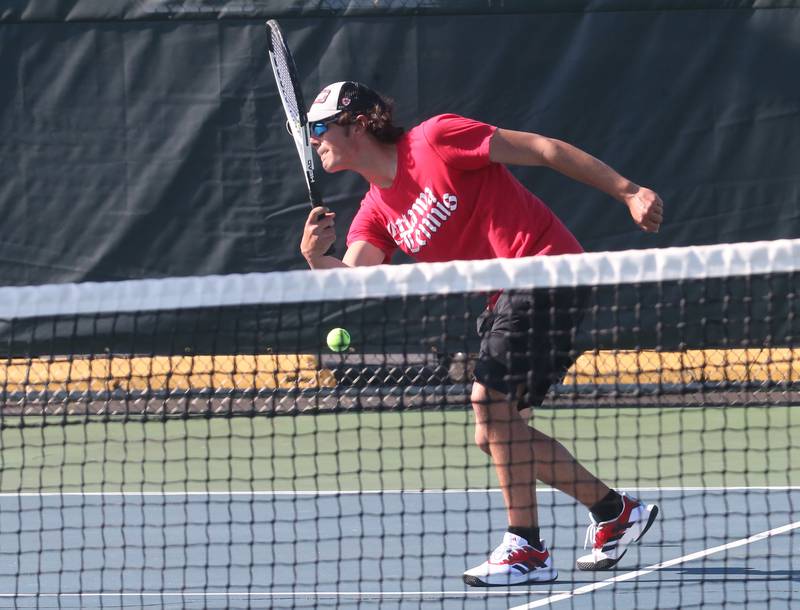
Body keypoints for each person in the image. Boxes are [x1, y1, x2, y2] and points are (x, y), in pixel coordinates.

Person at [298, 81, 662, 586]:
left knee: (488, 402)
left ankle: (527, 547)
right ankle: (613, 510)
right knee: (493, 434)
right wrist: (317, 258)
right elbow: (356, 279)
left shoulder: (435, 139)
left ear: (359, 123)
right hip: (502, 298)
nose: (314, 139)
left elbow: (544, 150)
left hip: (545, 267)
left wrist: (628, 191)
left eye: (320, 128)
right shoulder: (375, 210)